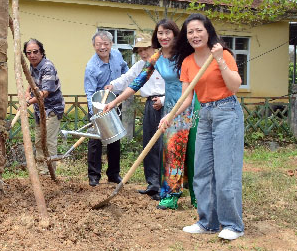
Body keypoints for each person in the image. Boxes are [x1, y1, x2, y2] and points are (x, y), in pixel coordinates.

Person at [163, 13, 245, 241]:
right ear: (186, 37)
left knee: (225, 170)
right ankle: (207, 222)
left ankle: (233, 225)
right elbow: (187, 98)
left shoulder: (223, 54)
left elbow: (235, 86)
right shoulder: (188, 62)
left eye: (199, 30)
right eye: (190, 32)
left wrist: (219, 59)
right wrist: (170, 115)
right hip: (205, 114)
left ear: (208, 32)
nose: (194, 35)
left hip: (227, 112)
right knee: (202, 170)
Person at [104, 19, 196, 210]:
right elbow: (137, 82)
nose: (164, 37)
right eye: (160, 33)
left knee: (192, 151)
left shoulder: (184, 55)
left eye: (168, 32)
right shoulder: (157, 58)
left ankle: (197, 193)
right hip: (170, 104)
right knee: (171, 149)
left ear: (175, 34)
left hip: (189, 102)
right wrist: (114, 102)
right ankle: (171, 193)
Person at [104, 32, 165, 200]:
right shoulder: (140, 65)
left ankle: (166, 186)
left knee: (163, 146)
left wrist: (164, 99)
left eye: (146, 49)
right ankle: (153, 184)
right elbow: (127, 79)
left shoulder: (165, 63)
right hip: (150, 105)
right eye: (140, 50)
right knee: (149, 145)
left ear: (155, 47)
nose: (143, 53)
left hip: (168, 105)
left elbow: (178, 85)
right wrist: (112, 86)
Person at [84, 30, 128, 186]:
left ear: (111, 44)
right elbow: (89, 92)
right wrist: (94, 113)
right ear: (94, 46)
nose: (102, 47)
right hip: (98, 106)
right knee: (95, 142)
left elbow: (125, 69)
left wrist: (123, 87)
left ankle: (113, 174)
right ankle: (94, 176)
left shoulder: (117, 55)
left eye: (105, 44)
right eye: (98, 45)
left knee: (114, 139)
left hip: (114, 104)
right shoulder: (91, 67)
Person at [24, 39, 65, 174]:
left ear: (42, 53)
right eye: (29, 53)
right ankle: (42, 172)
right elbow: (31, 80)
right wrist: (26, 92)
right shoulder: (32, 66)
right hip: (39, 109)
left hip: (53, 108)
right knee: (38, 141)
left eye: (35, 52)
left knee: (49, 141)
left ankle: (50, 172)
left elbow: (45, 92)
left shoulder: (47, 67)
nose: (32, 55)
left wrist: (29, 102)